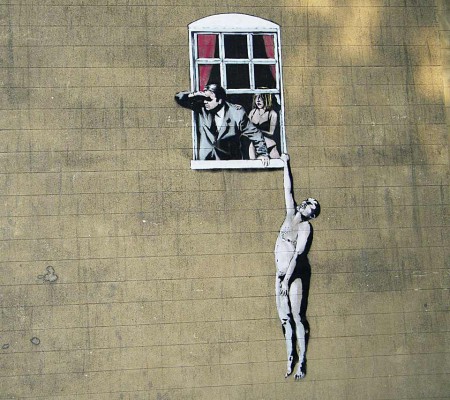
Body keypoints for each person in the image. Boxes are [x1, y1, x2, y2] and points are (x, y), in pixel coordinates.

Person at [274, 154, 320, 380]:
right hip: (280, 275)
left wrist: (285, 281)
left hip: (295, 276)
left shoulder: (305, 229)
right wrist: (286, 163)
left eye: (310, 206)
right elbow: (288, 188)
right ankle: (290, 356)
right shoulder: (290, 213)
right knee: (284, 319)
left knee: (297, 316)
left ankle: (302, 361)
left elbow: (295, 256)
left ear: (312, 214)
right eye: (307, 201)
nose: (305, 204)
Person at [175, 84, 269, 165]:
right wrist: (195, 94)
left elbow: (255, 133)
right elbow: (179, 98)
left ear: (220, 100)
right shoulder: (202, 108)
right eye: (204, 99)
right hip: (206, 163)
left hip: (229, 163)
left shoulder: (236, 113)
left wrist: (262, 154)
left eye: (209, 99)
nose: (205, 101)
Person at [248, 93, 280, 159]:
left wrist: (258, 131)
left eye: (261, 97)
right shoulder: (252, 113)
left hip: (269, 145)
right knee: (254, 163)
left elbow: (271, 133)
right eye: (256, 98)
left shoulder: (272, 113)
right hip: (255, 145)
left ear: (266, 99)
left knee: (276, 163)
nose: (258, 100)